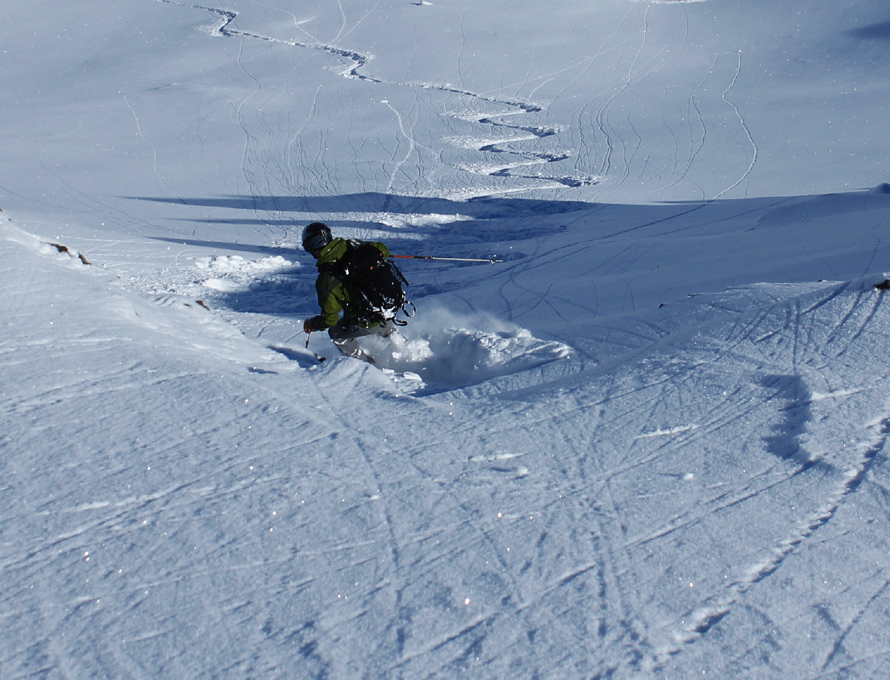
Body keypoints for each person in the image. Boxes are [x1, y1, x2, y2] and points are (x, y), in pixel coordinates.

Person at [301, 222, 397, 362]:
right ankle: (406, 348)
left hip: (366, 319)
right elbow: (383, 250)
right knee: (382, 325)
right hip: (388, 307)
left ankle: (365, 366)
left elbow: (330, 319)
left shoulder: (327, 280)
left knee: (336, 333)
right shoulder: (352, 245)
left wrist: (312, 324)